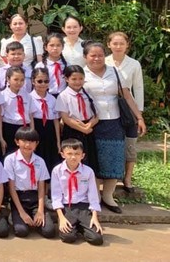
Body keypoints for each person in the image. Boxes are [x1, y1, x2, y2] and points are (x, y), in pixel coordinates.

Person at [83, 42, 145, 214]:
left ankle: (108, 196)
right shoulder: (81, 73)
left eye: (100, 55)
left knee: (115, 159)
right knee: (93, 160)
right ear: (85, 57)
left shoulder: (114, 72)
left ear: (105, 55)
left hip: (114, 122)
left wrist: (139, 117)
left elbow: (126, 94)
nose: (96, 58)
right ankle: (94, 197)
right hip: (92, 123)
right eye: (92, 55)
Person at [106, 32, 145, 193]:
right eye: (115, 43)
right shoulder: (103, 61)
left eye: (121, 43)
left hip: (129, 108)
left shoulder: (134, 64)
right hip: (109, 107)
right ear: (109, 44)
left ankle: (127, 178)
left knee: (130, 143)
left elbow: (138, 88)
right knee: (112, 144)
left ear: (127, 45)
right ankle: (109, 177)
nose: (118, 46)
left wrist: (139, 114)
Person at [4, 127, 56, 238]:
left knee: (49, 231)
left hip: (35, 198)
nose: (28, 145)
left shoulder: (40, 161)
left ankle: (35, 217)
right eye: (24, 141)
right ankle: (15, 215)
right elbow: (11, 188)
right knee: (22, 231)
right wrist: (22, 213)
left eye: (32, 141)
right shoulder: (10, 160)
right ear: (17, 142)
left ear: (37, 143)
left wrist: (41, 211)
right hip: (19, 198)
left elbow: (42, 187)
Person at [51, 139, 103, 245]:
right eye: (69, 153)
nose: (73, 157)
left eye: (77, 154)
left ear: (82, 155)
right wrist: (61, 218)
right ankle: (75, 226)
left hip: (83, 206)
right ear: (62, 154)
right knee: (68, 237)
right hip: (67, 207)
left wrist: (94, 217)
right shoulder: (57, 170)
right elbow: (56, 196)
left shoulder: (88, 171)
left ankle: (80, 225)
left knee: (96, 239)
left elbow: (93, 195)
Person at [0, 66, 34, 157]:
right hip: (9, 128)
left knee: (25, 155)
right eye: (16, 79)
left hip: (24, 128)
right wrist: (1, 137)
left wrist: (32, 133)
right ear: (8, 79)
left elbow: (30, 116)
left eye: (22, 80)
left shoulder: (27, 96)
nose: (19, 83)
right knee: (9, 155)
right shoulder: (2, 96)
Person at [30, 68, 61, 169]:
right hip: (37, 130)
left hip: (50, 132)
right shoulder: (29, 97)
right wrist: (33, 138)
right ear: (33, 81)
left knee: (50, 161)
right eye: (39, 81)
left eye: (46, 81)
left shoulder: (52, 99)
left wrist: (58, 141)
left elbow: (56, 120)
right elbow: (30, 119)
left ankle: (48, 185)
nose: (43, 84)